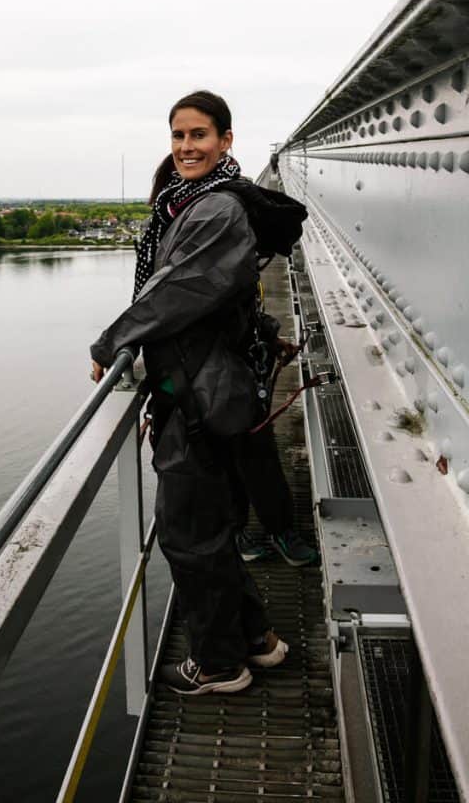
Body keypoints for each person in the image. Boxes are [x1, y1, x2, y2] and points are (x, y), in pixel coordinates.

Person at [90, 90, 288, 695]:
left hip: (200, 395)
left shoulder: (216, 211)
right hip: (201, 387)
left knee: (187, 534)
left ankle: (220, 665)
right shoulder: (194, 203)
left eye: (199, 135)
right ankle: (257, 639)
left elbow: (176, 292)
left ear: (226, 140)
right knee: (208, 529)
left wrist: (110, 344)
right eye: (178, 136)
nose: (185, 147)